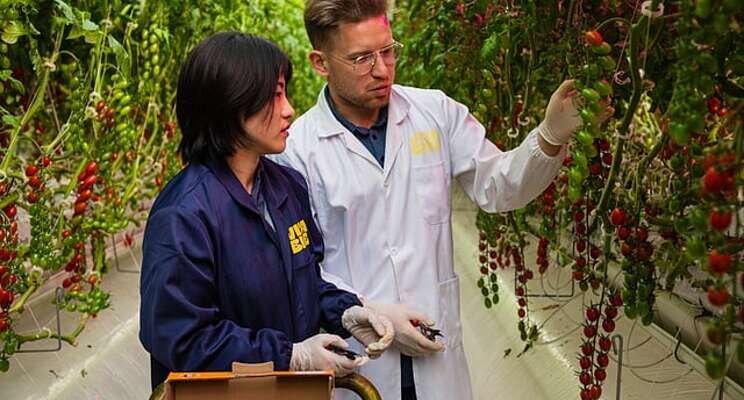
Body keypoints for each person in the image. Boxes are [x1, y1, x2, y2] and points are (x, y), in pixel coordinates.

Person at [271, 1, 605, 399]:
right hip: (360, 360)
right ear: (320, 62)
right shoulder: (298, 150)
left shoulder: (434, 113)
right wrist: (370, 310)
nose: (381, 69)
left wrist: (549, 136)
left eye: (387, 51)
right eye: (361, 58)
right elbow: (300, 266)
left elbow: (498, 186)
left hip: (436, 355)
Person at [138, 31, 395, 390]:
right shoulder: (184, 214)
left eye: (284, 93)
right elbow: (182, 337)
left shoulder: (287, 188)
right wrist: (288, 355)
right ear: (230, 103)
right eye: (274, 96)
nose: (288, 108)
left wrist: (345, 311)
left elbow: (305, 281)